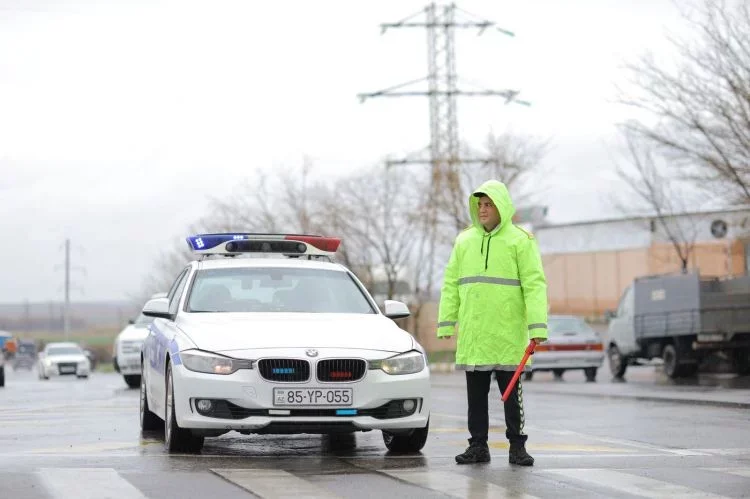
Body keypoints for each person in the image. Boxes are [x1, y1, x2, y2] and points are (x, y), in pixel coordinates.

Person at [437, 179, 548, 467]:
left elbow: (535, 285)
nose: (483, 210)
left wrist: (538, 327)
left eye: (489, 205)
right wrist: (446, 322)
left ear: (502, 207)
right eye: (480, 205)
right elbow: (451, 284)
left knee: (512, 397)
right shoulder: (464, 241)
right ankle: (478, 446)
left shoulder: (520, 240)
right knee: (475, 399)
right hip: (474, 335)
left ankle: (517, 447)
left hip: (508, 334)